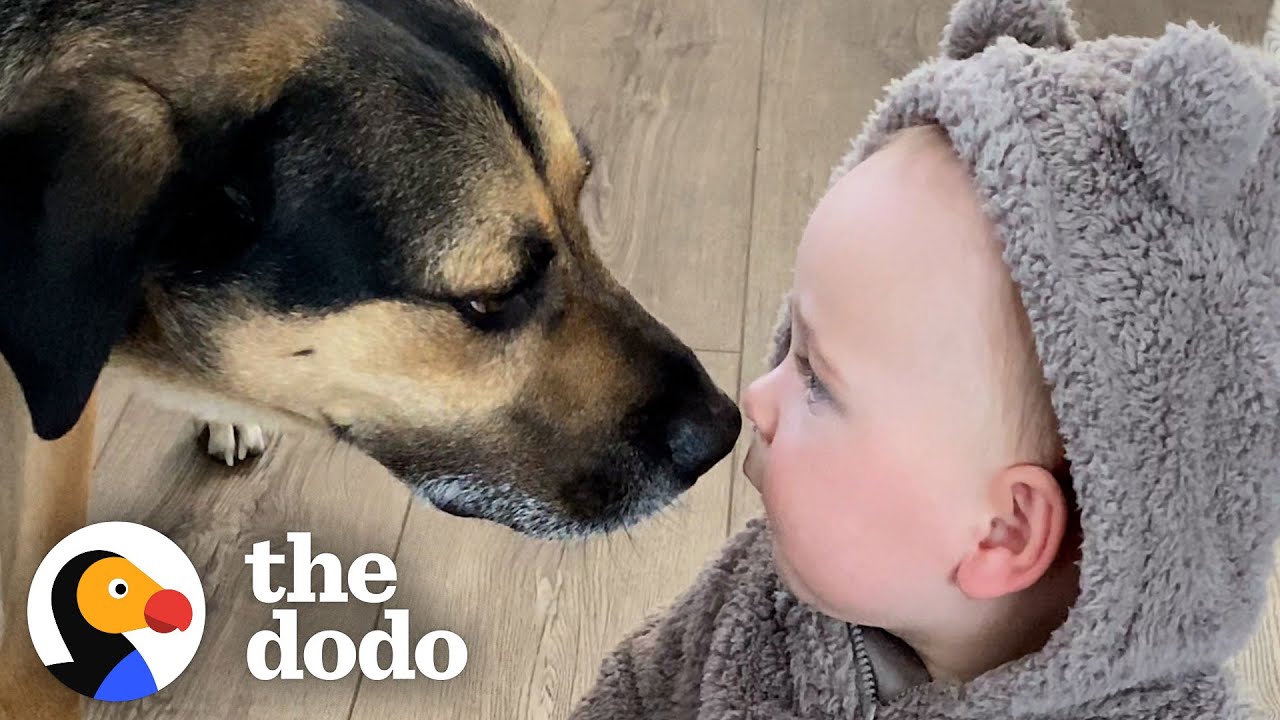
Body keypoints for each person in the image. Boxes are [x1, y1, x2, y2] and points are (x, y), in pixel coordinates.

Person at [568, 0, 1280, 718]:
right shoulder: (764, 605)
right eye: (795, 347)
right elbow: (641, 688)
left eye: (817, 378)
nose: (755, 395)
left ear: (1003, 530)